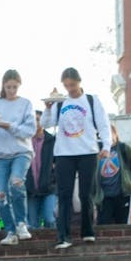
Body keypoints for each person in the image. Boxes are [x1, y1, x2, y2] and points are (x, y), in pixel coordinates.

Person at [41, 67, 112, 249]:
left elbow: (104, 124)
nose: (70, 88)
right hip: (64, 153)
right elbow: (45, 124)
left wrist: (106, 146)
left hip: (87, 151)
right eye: (66, 85)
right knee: (64, 195)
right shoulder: (59, 102)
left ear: (79, 82)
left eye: (72, 85)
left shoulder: (91, 100)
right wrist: (48, 108)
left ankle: (87, 231)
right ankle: (63, 235)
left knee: (85, 193)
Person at [0, 70, 37, 245]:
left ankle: (21, 223)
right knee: (1, 194)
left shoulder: (26, 104)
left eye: (15, 87)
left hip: (21, 152)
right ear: (3, 86)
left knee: (16, 183)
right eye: (8, 86)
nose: (11, 90)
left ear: (19, 85)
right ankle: (10, 231)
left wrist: (8, 126)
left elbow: (29, 130)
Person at [96, 125, 131, 225]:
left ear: (115, 134)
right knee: (103, 224)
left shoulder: (125, 148)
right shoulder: (96, 151)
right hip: (103, 196)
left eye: (110, 134)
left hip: (123, 193)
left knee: (123, 224)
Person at [26, 111, 57, 229]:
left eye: (38, 119)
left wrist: (54, 178)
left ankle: (54, 244)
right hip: (31, 189)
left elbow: (58, 162)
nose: (36, 122)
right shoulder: (25, 141)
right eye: (33, 120)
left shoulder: (52, 140)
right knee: (33, 224)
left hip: (49, 188)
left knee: (49, 218)